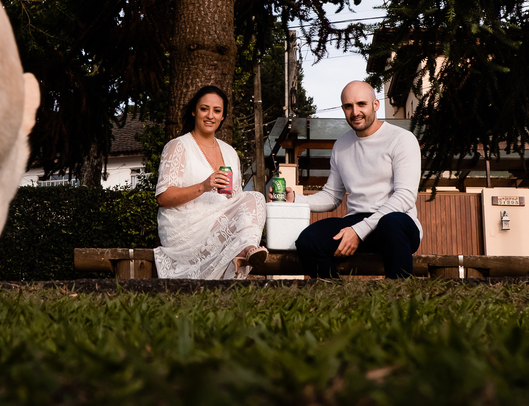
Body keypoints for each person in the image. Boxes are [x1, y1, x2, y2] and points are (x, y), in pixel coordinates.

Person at [286, 80, 422, 278]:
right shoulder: (342, 145)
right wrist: (296, 200)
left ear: (375, 105)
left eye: (361, 104)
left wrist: (358, 231)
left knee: (391, 223)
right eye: (348, 106)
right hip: (357, 220)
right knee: (308, 240)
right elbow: (332, 196)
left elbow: (405, 197)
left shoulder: (401, 139)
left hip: (397, 223)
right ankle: (335, 292)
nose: (355, 112)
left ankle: (400, 293)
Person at [154, 85, 267, 279]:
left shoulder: (230, 152)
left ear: (223, 116)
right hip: (186, 229)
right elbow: (163, 198)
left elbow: (237, 200)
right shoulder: (178, 146)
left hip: (216, 226)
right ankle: (242, 249)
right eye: (204, 109)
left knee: (255, 198)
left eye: (217, 111)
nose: (210, 116)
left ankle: (246, 249)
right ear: (194, 111)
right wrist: (203, 186)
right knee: (253, 198)